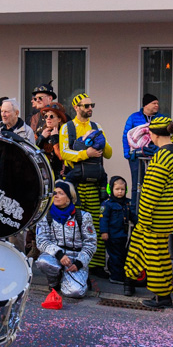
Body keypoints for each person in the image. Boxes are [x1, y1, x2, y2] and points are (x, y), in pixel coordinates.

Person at [125, 117, 173, 309]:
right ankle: (136, 280)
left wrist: (142, 218)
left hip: (155, 218)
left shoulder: (162, 157)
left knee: (155, 257)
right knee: (159, 255)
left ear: (153, 134)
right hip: (170, 216)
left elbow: (151, 192)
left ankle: (161, 297)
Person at [60, 92, 112, 275]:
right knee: (75, 225)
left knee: (97, 226)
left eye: (92, 105)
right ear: (76, 108)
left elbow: (109, 154)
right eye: (86, 106)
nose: (90, 109)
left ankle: (97, 266)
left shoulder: (97, 126)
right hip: (75, 186)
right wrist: (85, 153)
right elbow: (65, 153)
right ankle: (75, 262)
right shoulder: (67, 128)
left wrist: (101, 140)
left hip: (95, 185)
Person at [33, 180, 98, 299]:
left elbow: (91, 243)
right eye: (54, 193)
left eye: (60, 193)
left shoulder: (83, 216)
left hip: (75, 258)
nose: (56, 196)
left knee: (75, 292)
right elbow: (41, 241)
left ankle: (75, 278)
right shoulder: (46, 215)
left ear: (69, 197)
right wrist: (59, 254)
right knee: (43, 262)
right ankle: (54, 282)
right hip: (56, 256)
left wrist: (79, 263)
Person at [100, 176, 135, 286]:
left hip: (123, 235)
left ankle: (116, 271)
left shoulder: (127, 203)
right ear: (111, 189)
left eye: (122, 189)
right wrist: (104, 232)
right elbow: (103, 219)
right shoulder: (107, 204)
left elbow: (132, 216)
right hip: (112, 235)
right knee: (115, 256)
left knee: (121, 255)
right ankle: (116, 277)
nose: (120, 192)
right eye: (117, 189)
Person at [123, 93, 161, 192]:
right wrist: (127, 153)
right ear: (146, 105)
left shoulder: (161, 118)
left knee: (154, 183)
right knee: (137, 183)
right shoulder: (134, 117)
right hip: (135, 155)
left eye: (157, 103)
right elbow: (126, 135)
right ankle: (135, 206)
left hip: (155, 155)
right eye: (154, 103)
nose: (157, 105)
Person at [35, 101, 68, 179]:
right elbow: (34, 153)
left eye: (51, 116)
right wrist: (41, 138)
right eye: (46, 116)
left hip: (59, 175)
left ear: (59, 119)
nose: (48, 119)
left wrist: (55, 138)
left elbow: (62, 156)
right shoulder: (39, 133)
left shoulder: (65, 134)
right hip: (43, 174)